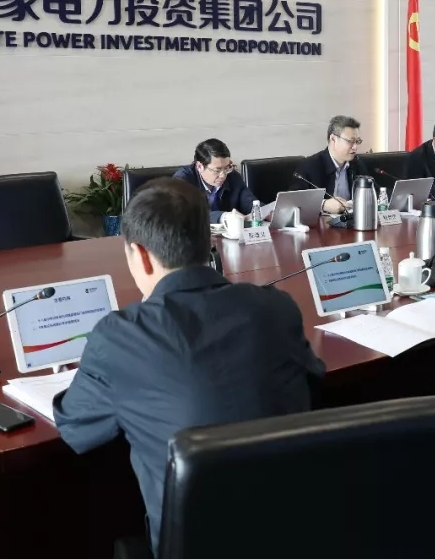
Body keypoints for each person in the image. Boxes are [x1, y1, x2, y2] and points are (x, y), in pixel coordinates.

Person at [53, 179, 325, 555]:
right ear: (208, 241)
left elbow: (75, 428)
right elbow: (314, 378)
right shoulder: (275, 307)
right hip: (294, 534)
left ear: (140, 255)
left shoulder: (121, 335)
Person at [292, 115, 371, 214]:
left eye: (357, 141)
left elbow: (375, 192)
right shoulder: (310, 166)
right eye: (350, 141)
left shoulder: (357, 165)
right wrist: (323, 204)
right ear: (333, 139)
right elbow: (292, 202)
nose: (355, 147)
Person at [172, 138, 256, 222]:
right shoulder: (183, 180)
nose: (223, 175)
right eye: (217, 170)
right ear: (199, 166)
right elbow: (187, 214)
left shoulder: (232, 175)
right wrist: (223, 217)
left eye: (227, 168)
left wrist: (259, 212)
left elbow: (249, 201)